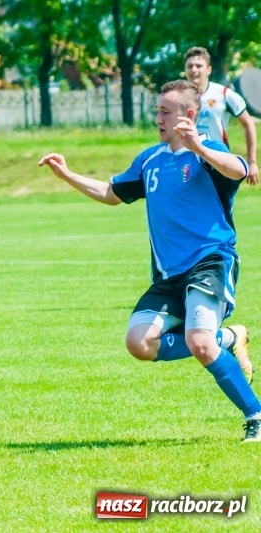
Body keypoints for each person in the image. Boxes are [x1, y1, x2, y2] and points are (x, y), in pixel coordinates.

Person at [38, 80, 261, 443]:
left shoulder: (207, 153)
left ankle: (255, 415)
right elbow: (111, 193)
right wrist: (67, 175)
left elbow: (237, 170)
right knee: (139, 342)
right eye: (157, 110)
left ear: (189, 115)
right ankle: (229, 337)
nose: (157, 118)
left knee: (200, 344)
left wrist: (199, 147)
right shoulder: (150, 160)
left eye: (165, 111)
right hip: (169, 275)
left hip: (210, 261)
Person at [184, 46, 259, 186]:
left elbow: (248, 123)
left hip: (217, 158)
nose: (194, 70)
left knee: (219, 199)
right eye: (190, 66)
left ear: (208, 70)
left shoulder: (223, 94)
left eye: (199, 66)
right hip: (187, 160)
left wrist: (252, 162)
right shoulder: (178, 98)